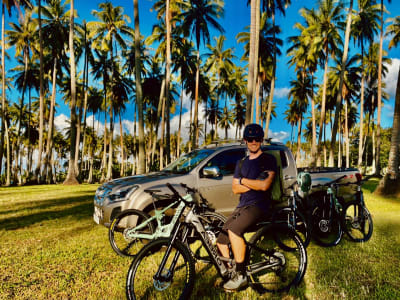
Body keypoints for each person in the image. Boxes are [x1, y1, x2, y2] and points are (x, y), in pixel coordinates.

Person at [216, 123, 278, 291]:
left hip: (260, 205)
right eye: (250, 139)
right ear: (245, 140)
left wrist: (243, 181)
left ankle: (241, 276)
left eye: (257, 139)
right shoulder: (241, 163)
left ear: (261, 140)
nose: (253, 142)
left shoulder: (268, 159)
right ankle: (231, 272)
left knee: (234, 231)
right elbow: (235, 189)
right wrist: (253, 183)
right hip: (243, 206)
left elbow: (265, 186)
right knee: (221, 239)